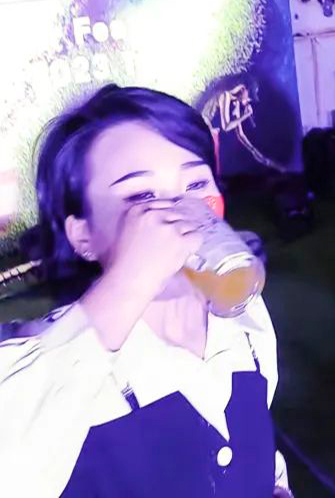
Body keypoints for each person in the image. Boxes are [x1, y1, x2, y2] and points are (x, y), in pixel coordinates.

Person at [0, 85, 291, 498]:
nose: (181, 212)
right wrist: (132, 279)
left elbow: (259, 449)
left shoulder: (245, 319)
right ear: (83, 236)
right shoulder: (48, 363)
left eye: (196, 184)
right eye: (141, 196)